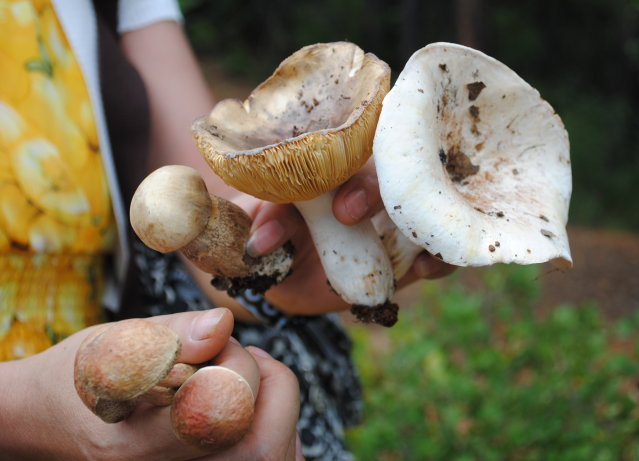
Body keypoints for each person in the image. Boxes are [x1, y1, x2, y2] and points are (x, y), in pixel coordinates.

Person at [0, 0, 454, 459]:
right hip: (102, 375)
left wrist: (281, 277)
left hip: (137, 368)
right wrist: (19, 410)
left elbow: (215, 189)